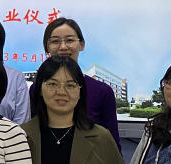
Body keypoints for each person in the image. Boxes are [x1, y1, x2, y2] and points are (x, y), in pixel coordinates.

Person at [29, 18, 121, 151]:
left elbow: (112, 145)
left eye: (69, 40)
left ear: (81, 44)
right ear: (47, 47)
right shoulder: (37, 88)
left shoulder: (102, 91)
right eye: (55, 41)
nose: (63, 47)